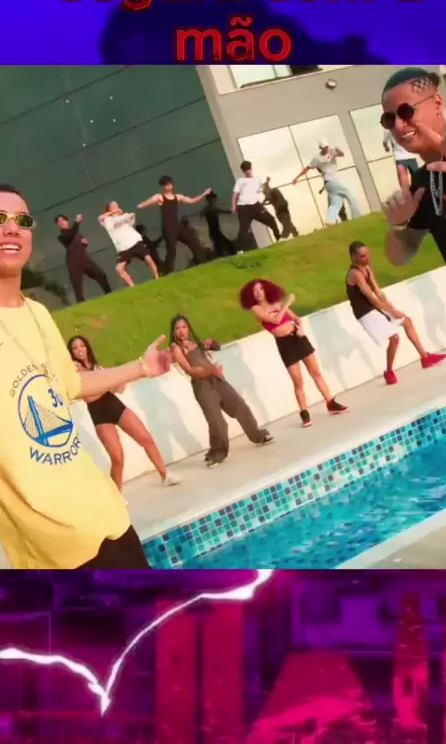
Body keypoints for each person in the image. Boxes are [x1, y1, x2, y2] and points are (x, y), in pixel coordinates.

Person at [0, 183, 172, 569]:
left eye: (21, 221)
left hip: (107, 516)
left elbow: (72, 384)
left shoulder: (38, 312)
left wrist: (140, 368)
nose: (11, 228)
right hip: (56, 548)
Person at [380, 67, 446, 354]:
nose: (399, 126)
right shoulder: (423, 182)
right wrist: (398, 224)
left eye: (406, 111)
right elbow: (399, 256)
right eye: (390, 119)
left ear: (437, 103)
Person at [68, 335, 179, 491]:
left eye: (81, 346)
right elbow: (90, 395)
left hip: (114, 406)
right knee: (117, 457)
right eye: (75, 348)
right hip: (99, 414)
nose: (79, 350)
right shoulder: (74, 370)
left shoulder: (97, 368)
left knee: (145, 438)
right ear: (71, 353)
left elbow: (119, 388)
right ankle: (117, 496)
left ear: (87, 347)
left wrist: (116, 381)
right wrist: (107, 384)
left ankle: (165, 475)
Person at [239, 279, 347, 427]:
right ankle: (304, 412)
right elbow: (275, 320)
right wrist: (287, 303)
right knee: (298, 380)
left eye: (261, 289)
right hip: (285, 344)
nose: (258, 293)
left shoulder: (277, 303)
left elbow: (296, 318)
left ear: (266, 290)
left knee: (315, 372)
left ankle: (330, 402)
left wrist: (300, 328)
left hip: (297, 337)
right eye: (254, 291)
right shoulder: (256, 308)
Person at [170, 314, 274, 467]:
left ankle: (258, 435)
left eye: (184, 327)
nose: (181, 331)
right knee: (217, 422)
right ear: (173, 332)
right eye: (177, 328)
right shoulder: (176, 349)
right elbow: (191, 371)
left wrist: (212, 343)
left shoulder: (195, 342)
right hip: (202, 387)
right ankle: (216, 454)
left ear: (188, 328)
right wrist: (212, 370)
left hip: (217, 380)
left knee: (240, 407)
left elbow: (217, 347)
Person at [347, 241, 446, 385]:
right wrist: (392, 311)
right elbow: (371, 298)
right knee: (394, 338)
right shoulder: (355, 274)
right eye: (363, 256)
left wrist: (391, 307)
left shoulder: (367, 268)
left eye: (368, 254)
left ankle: (425, 357)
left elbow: (378, 292)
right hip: (365, 312)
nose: (367, 257)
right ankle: (388, 371)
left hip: (375, 307)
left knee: (407, 321)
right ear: (354, 257)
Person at [138, 176, 209, 274]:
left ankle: (202, 261)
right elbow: (149, 201)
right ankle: (168, 271)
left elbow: (192, 200)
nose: (169, 186)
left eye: (170, 184)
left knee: (192, 241)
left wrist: (204, 194)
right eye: (166, 185)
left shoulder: (177, 197)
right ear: (163, 186)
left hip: (177, 225)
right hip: (168, 227)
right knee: (171, 249)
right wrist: (140, 206)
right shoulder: (160, 197)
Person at [292, 138, 362, 225]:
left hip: (329, 184)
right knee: (349, 193)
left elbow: (341, 154)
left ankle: (330, 220)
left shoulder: (332, 151)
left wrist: (339, 151)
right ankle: (357, 216)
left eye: (326, 147)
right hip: (332, 181)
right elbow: (307, 168)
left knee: (336, 202)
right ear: (321, 149)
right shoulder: (317, 158)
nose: (326, 149)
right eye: (324, 148)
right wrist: (297, 178)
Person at [99, 201, 159, 287]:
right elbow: (100, 218)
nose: (115, 206)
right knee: (119, 268)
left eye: (116, 205)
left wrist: (130, 215)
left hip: (134, 241)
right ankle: (132, 286)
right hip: (123, 248)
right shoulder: (107, 220)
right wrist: (112, 212)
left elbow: (131, 217)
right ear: (109, 208)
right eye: (113, 205)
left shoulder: (124, 215)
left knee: (148, 258)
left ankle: (157, 277)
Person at [55, 213, 112, 303]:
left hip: (84, 259)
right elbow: (70, 235)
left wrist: (84, 242)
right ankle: (81, 302)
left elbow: (80, 240)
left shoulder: (75, 232)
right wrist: (77, 222)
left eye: (63, 220)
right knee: (77, 285)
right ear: (58, 225)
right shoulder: (62, 236)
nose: (61, 222)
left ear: (67, 221)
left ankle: (109, 293)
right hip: (73, 263)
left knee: (100, 275)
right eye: (59, 221)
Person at [233, 162, 281, 251]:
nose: (248, 172)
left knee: (271, 220)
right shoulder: (240, 181)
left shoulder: (257, 179)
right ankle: (239, 250)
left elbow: (264, 187)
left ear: (251, 169)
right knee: (243, 230)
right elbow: (235, 194)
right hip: (244, 208)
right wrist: (234, 206)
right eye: (246, 171)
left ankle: (279, 239)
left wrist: (267, 181)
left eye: (249, 170)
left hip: (255, 206)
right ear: (244, 171)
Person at [201, 192, 236, 257]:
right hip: (215, 232)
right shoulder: (212, 209)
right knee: (225, 245)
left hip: (214, 232)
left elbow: (202, 215)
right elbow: (225, 212)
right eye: (213, 199)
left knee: (222, 246)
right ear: (209, 200)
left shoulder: (207, 209)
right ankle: (226, 255)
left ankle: (222, 256)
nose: (215, 200)